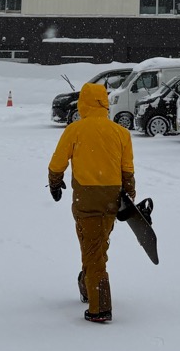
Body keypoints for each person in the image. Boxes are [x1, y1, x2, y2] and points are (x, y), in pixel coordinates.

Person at [48, 80, 135, 323]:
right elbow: (127, 169)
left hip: (85, 197)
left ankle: (100, 307)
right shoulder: (120, 132)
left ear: (83, 104)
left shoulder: (75, 130)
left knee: (92, 248)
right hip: (111, 198)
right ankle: (87, 284)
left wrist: (54, 182)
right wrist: (129, 195)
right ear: (105, 104)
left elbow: (57, 162)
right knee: (96, 245)